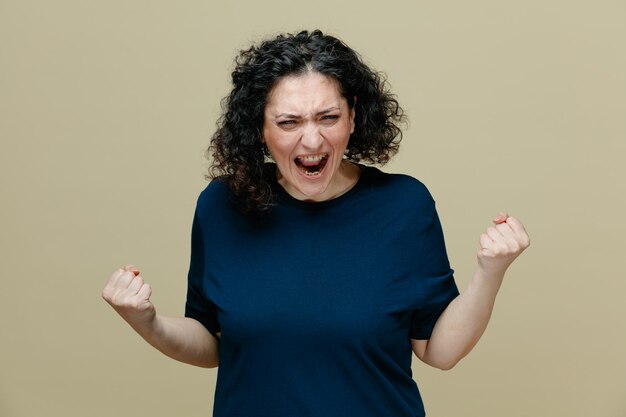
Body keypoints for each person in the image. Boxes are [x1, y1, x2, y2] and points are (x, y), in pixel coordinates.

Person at [102, 29, 530, 417]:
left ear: (353, 115)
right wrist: (148, 322)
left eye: (328, 117)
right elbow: (211, 342)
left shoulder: (405, 205)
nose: (312, 140)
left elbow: (439, 351)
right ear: (260, 129)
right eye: (288, 122)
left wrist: (491, 272)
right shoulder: (221, 206)